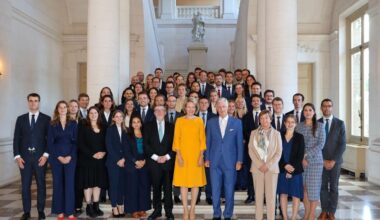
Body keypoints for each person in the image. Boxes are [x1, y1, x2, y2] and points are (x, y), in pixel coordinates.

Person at [13, 93, 51, 220]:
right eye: (31, 101)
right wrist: (17, 156)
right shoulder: (21, 119)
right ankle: (26, 212)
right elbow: (16, 139)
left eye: (35, 101)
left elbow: (49, 139)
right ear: (28, 102)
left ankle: (41, 211)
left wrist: (46, 155)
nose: (33, 103)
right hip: (24, 159)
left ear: (39, 102)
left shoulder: (46, 119)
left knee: (41, 185)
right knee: (25, 186)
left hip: (41, 159)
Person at [205, 98, 243, 220]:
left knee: (229, 190)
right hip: (214, 161)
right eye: (219, 107)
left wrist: (239, 160)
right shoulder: (210, 122)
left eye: (224, 107)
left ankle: (228, 214)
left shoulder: (236, 123)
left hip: (230, 162)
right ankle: (216, 214)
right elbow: (208, 142)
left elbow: (239, 144)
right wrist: (207, 158)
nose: (221, 109)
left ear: (228, 108)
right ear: (216, 108)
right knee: (215, 191)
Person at [173, 99, 207, 220]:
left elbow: (202, 140)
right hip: (182, 156)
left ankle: (192, 209)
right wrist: (179, 156)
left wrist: (201, 156)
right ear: (184, 108)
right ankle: (185, 210)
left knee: (195, 184)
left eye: (193, 107)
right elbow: (176, 139)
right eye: (188, 107)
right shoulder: (179, 121)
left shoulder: (199, 120)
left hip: (196, 156)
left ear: (196, 108)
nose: (191, 109)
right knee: (183, 183)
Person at [248, 110, 282, 220]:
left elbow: (278, 153)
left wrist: (268, 165)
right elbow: (251, 150)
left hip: (271, 170)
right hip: (257, 169)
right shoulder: (254, 133)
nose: (264, 120)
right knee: (258, 197)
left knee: (271, 197)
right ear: (259, 120)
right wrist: (259, 164)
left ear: (270, 119)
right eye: (261, 118)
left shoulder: (277, 134)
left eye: (266, 118)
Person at [47, 101, 78, 220]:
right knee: (58, 184)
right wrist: (59, 157)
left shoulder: (73, 123)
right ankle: (59, 210)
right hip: (56, 158)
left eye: (65, 107)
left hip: (71, 158)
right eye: (60, 107)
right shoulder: (52, 124)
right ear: (57, 110)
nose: (63, 109)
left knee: (70, 184)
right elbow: (50, 143)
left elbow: (76, 142)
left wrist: (70, 156)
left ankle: (69, 212)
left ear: (68, 109)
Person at [295, 103, 325, 220]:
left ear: (314, 112)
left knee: (313, 189)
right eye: (305, 110)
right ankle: (306, 214)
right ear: (303, 113)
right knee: (304, 189)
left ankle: (311, 215)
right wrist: (302, 158)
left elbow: (321, 144)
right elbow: (297, 144)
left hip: (315, 162)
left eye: (310, 110)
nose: (307, 112)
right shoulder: (299, 126)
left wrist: (306, 156)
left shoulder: (320, 126)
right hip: (301, 162)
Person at [144, 106, 175, 220]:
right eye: (157, 110)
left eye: (162, 110)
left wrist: (166, 157)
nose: (160, 112)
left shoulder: (172, 126)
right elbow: (145, 144)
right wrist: (156, 157)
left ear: (165, 112)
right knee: (156, 188)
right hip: (154, 163)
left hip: (168, 162)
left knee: (168, 189)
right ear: (154, 113)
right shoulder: (147, 126)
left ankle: (168, 211)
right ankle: (157, 211)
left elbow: (175, 145)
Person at [76, 106, 108, 218]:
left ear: (98, 114)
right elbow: (80, 143)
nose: (93, 115)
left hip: (100, 160)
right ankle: (89, 206)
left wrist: (104, 152)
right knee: (88, 183)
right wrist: (92, 154)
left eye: (95, 113)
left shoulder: (104, 127)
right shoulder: (83, 126)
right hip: (86, 160)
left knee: (97, 183)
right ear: (88, 115)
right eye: (91, 113)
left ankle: (96, 205)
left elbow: (107, 142)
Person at [318, 99, 346, 220]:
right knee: (323, 186)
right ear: (321, 108)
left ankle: (332, 212)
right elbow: (315, 144)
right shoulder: (317, 123)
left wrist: (333, 160)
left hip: (336, 162)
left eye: (329, 106)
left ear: (332, 108)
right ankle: (324, 211)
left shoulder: (340, 123)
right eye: (324, 106)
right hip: (320, 161)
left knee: (334, 187)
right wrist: (323, 160)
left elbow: (342, 144)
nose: (327, 108)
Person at [277, 115, 305, 220]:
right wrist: (285, 166)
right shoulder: (279, 135)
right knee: (283, 194)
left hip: (296, 171)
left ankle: (293, 218)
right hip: (282, 170)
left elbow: (300, 155)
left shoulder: (300, 137)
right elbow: (277, 154)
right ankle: (285, 217)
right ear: (284, 123)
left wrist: (291, 170)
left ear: (296, 123)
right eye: (288, 122)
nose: (290, 124)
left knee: (295, 195)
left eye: (292, 122)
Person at [123, 115, 151, 218]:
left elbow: (149, 148)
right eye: (134, 122)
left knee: (143, 186)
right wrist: (135, 161)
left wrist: (144, 161)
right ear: (131, 124)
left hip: (144, 162)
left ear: (141, 123)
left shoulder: (145, 134)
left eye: (138, 122)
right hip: (131, 163)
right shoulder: (127, 135)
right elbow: (126, 151)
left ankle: (142, 208)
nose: (136, 124)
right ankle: (133, 209)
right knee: (132, 187)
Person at [105, 110, 127, 218]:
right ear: (113, 118)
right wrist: (118, 159)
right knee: (114, 185)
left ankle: (120, 204)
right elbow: (109, 146)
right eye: (116, 116)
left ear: (123, 118)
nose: (118, 118)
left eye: (120, 116)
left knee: (121, 185)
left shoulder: (126, 130)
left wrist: (123, 159)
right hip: (113, 162)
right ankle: (114, 207)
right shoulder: (110, 130)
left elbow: (127, 147)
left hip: (124, 162)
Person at [241, 94, 262, 204]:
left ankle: (261, 196)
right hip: (250, 149)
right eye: (253, 101)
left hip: (264, 150)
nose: (255, 102)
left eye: (257, 100)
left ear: (260, 102)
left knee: (262, 173)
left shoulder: (266, 115)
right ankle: (251, 195)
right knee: (250, 173)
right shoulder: (246, 116)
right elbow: (243, 133)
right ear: (251, 103)